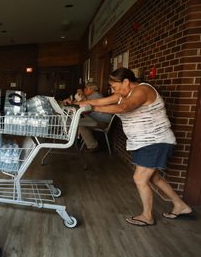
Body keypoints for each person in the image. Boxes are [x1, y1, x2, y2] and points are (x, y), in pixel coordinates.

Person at [77, 68, 195, 226]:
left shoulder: (143, 90)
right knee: (154, 177)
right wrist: (74, 104)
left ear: (125, 82)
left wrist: (92, 109)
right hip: (145, 142)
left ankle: (147, 216)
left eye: (114, 86)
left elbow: (124, 108)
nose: (113, 90)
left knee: (139, 178)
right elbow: (98, 101)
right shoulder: (123, 94)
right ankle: (181, 206)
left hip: (156, 141)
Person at [76, 83, 113, 152]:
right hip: (95, 120)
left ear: (91, 89)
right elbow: (83, 104)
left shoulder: (96, 96)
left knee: (81, 125)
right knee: (79, 122)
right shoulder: (91, 96)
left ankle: (93, 146)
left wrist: (73, 103)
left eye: (86, 88)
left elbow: (86, 111)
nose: (84, 90)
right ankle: (79, 139)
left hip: (103, 122)